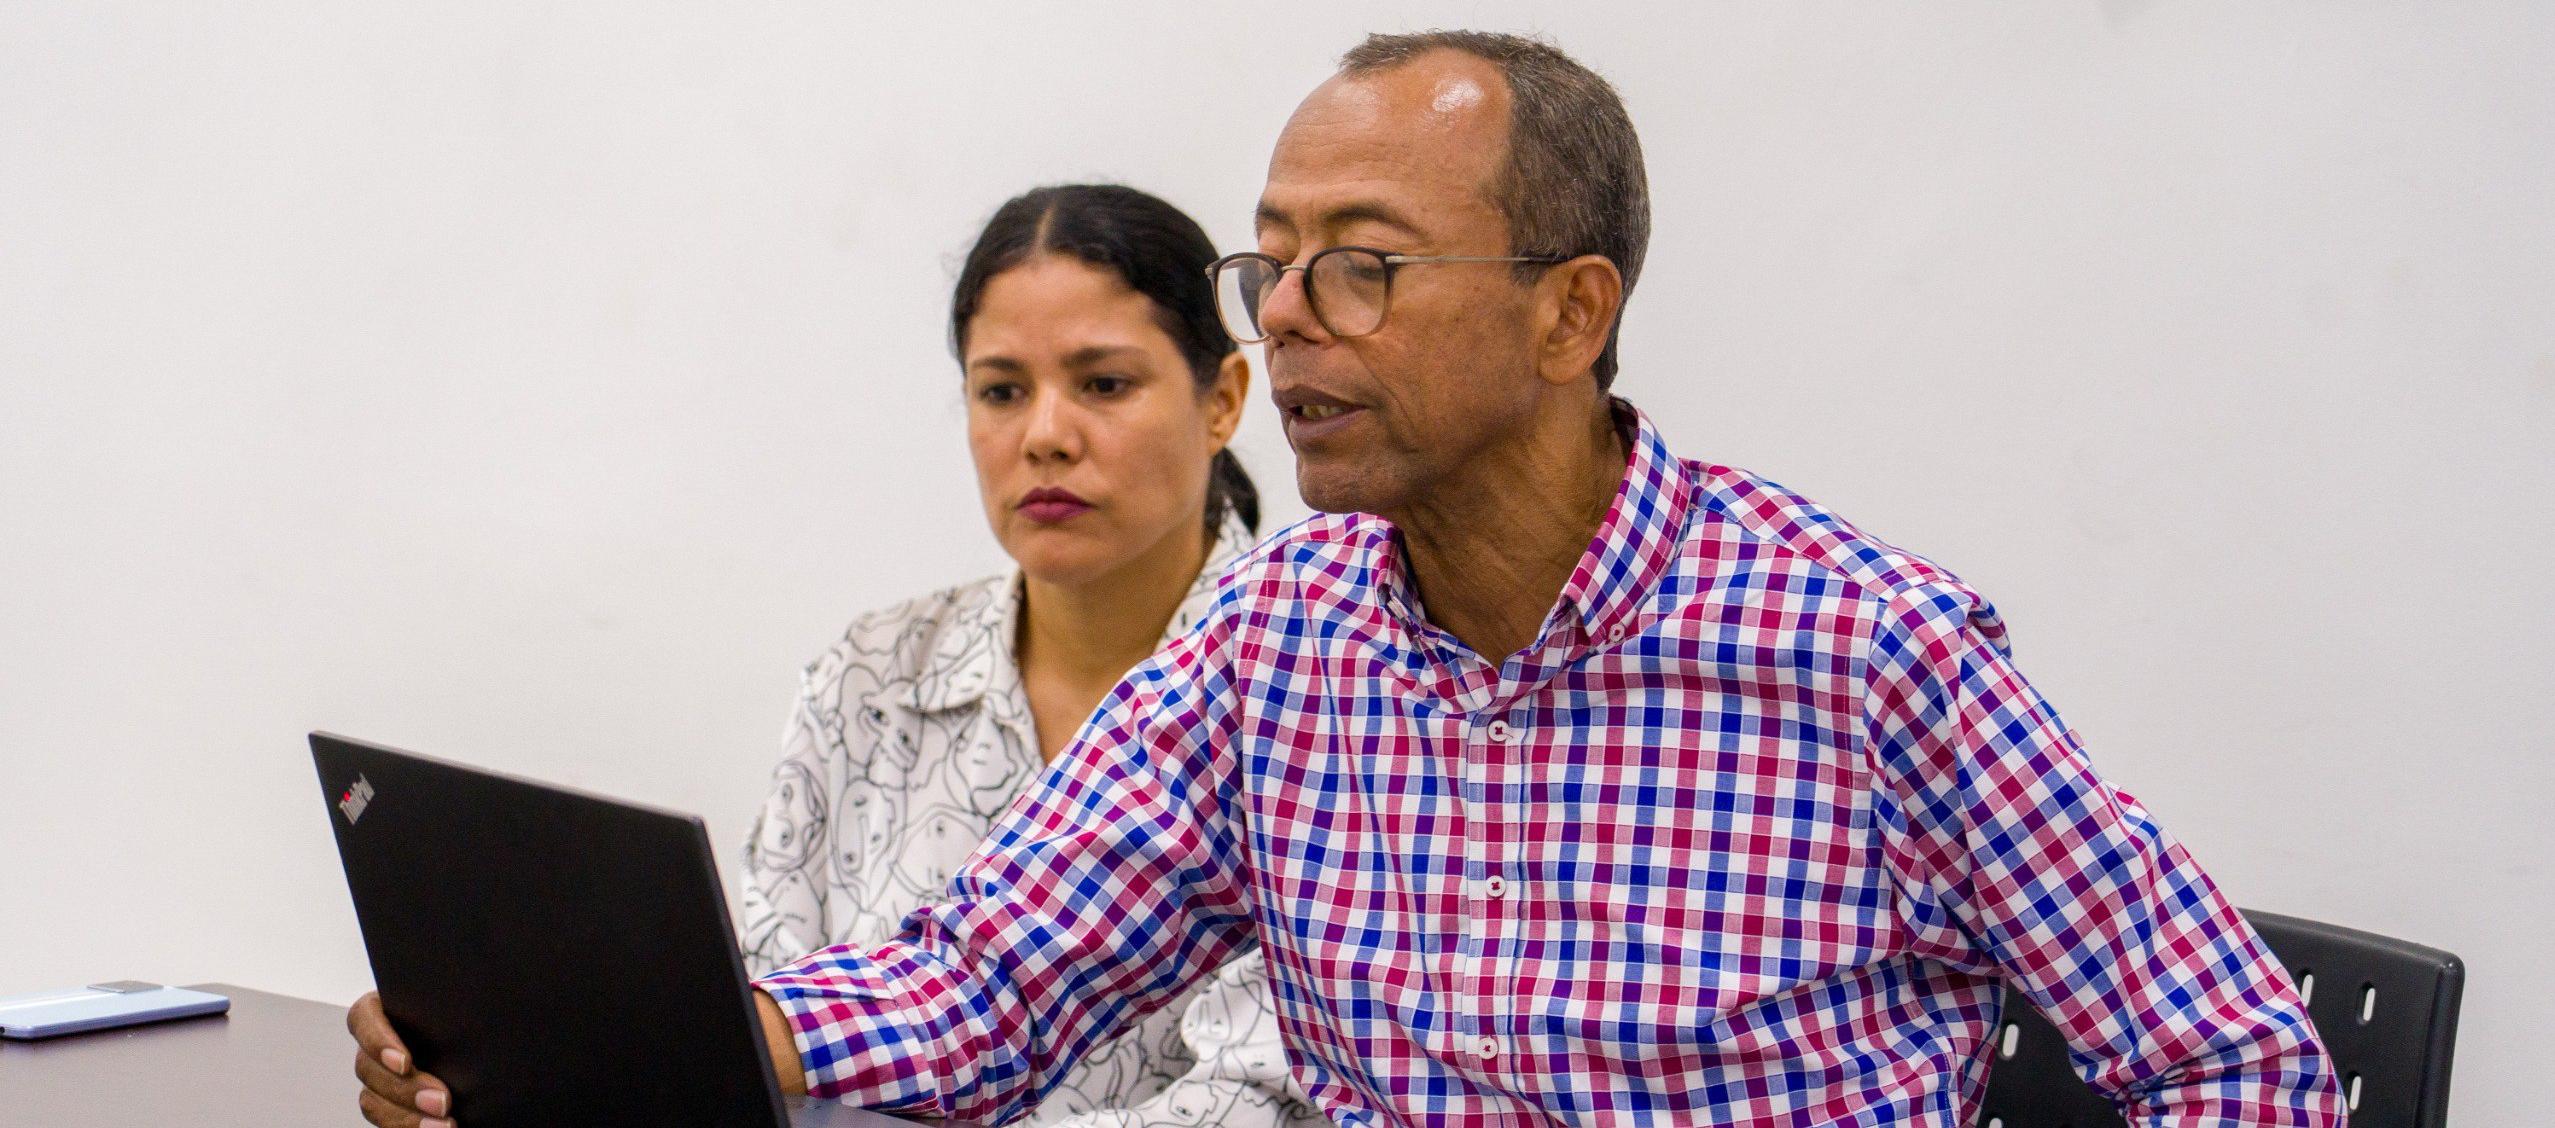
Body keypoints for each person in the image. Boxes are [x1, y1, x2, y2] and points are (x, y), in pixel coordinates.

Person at [370, 30, 2350, 1128]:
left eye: (1364, 267)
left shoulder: (1858, 651)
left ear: (1571, 312)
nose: (1291, 327)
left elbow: (2233, 1067)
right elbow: (988, 980)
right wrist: (625, 1043)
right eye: (1268, 266)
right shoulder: (1274, 637)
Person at [344, 184, 1320, 1128]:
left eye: (1103, 384)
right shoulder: (873, 672)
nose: (1045, 436)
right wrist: (512, 1060)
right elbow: (763, 1017)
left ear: (1224, 397)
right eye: (1000, 391)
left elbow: (1267, 1097)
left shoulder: (1310, 681)